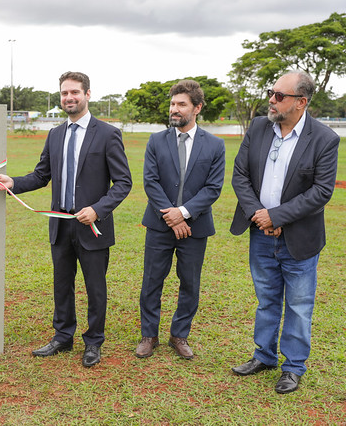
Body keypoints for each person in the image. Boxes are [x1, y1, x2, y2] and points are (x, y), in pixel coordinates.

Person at [0, 71, 131, 367]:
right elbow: (42, 175)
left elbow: (122, 183)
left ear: (88, 94)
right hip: (60, 224)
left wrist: (98, 209)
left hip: (92, 226)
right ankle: (62, 336)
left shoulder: (107, 134)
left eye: (75, 93)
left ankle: (93, 342)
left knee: (95, 287)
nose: (69, 98)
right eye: (65, 93)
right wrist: (12, 182)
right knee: (61, 283)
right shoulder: (55, 134)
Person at [230, 71, 340, 394]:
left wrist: (277, 216)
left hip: (299, 240)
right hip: (260, 234)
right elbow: (240, 175)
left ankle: (293, 367)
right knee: (266, 300)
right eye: (271, 92)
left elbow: (321, 192)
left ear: (301, 102)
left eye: (279, 95)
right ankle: (263, 355)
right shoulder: (259, 127)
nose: (272, 99)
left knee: (299, 304)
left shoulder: (324, 139)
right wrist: (259, 215)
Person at [135, 80, 225, 360]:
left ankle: (179, 335)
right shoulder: (156, 141)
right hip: (159, 225)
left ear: (197, 108)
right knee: (152, 281)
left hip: (195, 228)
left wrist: (184, 213)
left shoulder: (215, 145)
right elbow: (150, 182)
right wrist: (172, 217)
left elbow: (213, 188)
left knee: (190, 283)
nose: (174, 109)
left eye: (181, 104)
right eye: (173, 104)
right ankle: (149, 335)